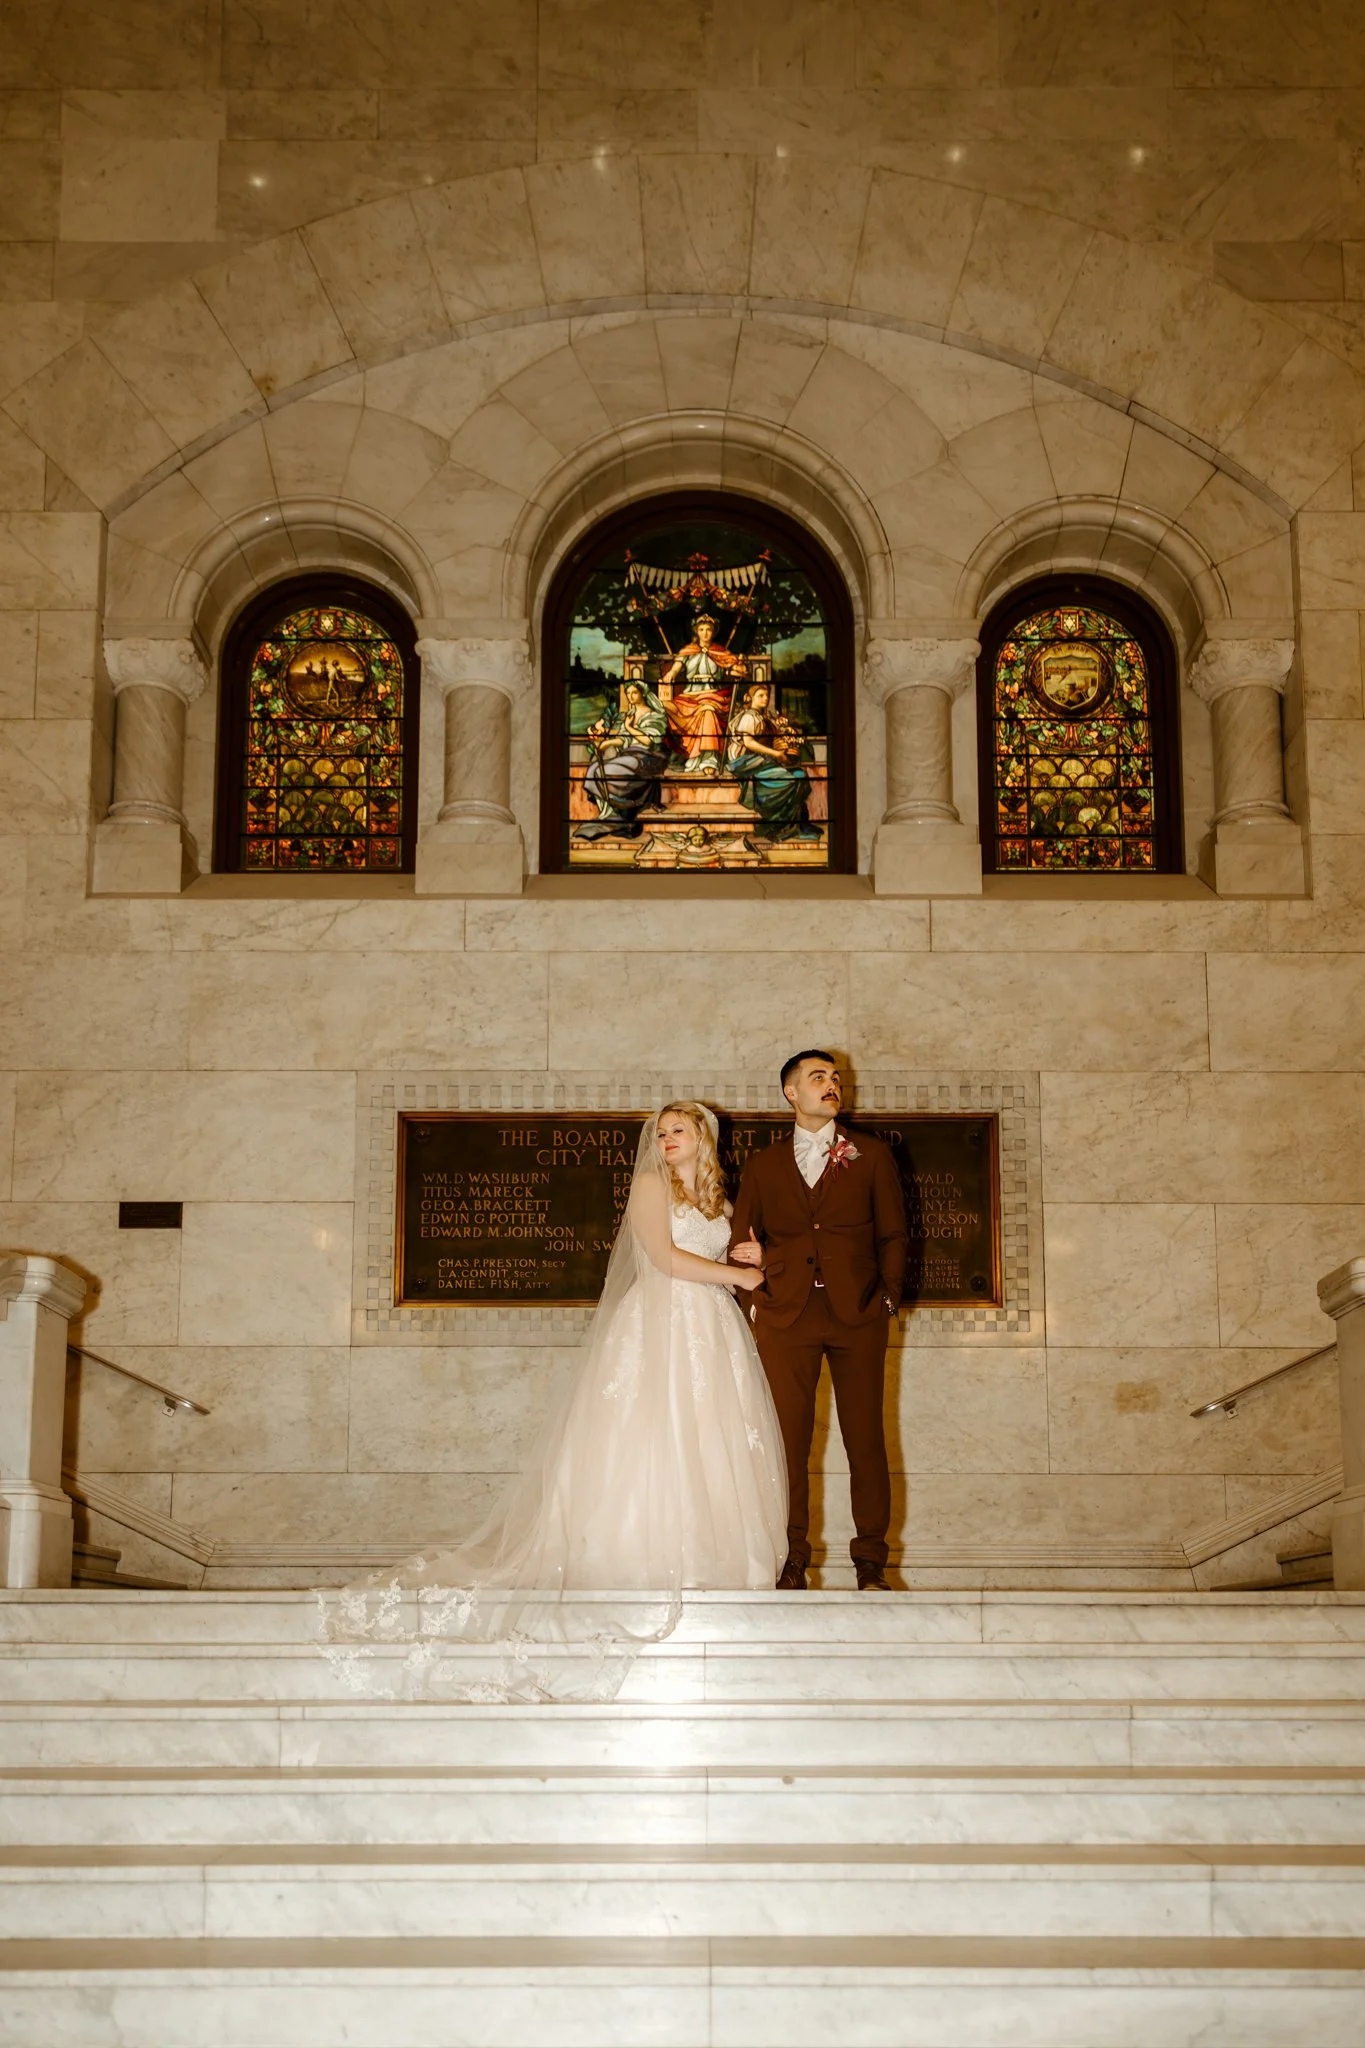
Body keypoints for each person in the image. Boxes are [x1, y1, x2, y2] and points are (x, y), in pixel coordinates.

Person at [320, 1104, 787, 1698]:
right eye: (661, 1132)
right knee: (647, 1439)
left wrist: (755, 1261)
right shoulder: (650, 1186)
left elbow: (727, 1255)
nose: (667, 1140)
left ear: (704, 1137)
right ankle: (627, 1562)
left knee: (710, 1441)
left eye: (679, 1131)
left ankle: (714, 1564)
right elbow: (665, 1260)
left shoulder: (723, 1201)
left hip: (711, 1332)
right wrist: (739, 1278)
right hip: (658, 1326)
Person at [730, 1051, 908, 1592]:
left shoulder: (872, 1155)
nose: (831, 1085)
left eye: (835, 1078)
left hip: (858, 1316)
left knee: (866, 1438)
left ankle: (871, 1563)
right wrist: (757, 1299)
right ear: (791, 1092)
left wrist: (888, 1301)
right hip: (787, 1317)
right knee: (787, 1440)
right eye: (818, 1078)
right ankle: (790, 1559)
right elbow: (743, 1245)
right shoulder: (762, 1166)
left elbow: (894, 1235)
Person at [577, 680, 672, 841]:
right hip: (628, 755)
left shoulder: (656, 716)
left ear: (643, 693)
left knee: (609, 770)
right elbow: (623, 740)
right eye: (628, 693)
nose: (630, 696)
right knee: (594, 769)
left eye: (634, 693)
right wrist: (606, 743)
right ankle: (608, 813)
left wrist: (629, 728)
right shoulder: (629, 715)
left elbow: (649, 741)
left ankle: (617, 812)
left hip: (648, 757)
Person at [726, 682, 819, 843]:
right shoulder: (749, 717)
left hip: (765, 761)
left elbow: (777, 736)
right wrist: (777, 754)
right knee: (794, 780)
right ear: (750, 698)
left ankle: (796, 825)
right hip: (748, 763)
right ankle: (776, 826)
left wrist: (788, 732)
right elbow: (749, 744)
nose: (765, 699)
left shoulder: (764, 717)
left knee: (800, 776)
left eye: (767, 695)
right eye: (760, 695)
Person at [659, 614, 747, 772]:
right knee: (665, 708)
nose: (705, 633)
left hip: (713, 695)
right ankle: (681, 755)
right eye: (701, 629)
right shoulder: (688, 651)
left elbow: (736, 669)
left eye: (708, 630)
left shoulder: (721, 653)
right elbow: (674, 670)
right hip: (690, 696)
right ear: (696, 631)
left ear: (713, 632)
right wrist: (669, 675)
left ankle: (708, 760)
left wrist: (739, 668)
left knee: (708, 712)